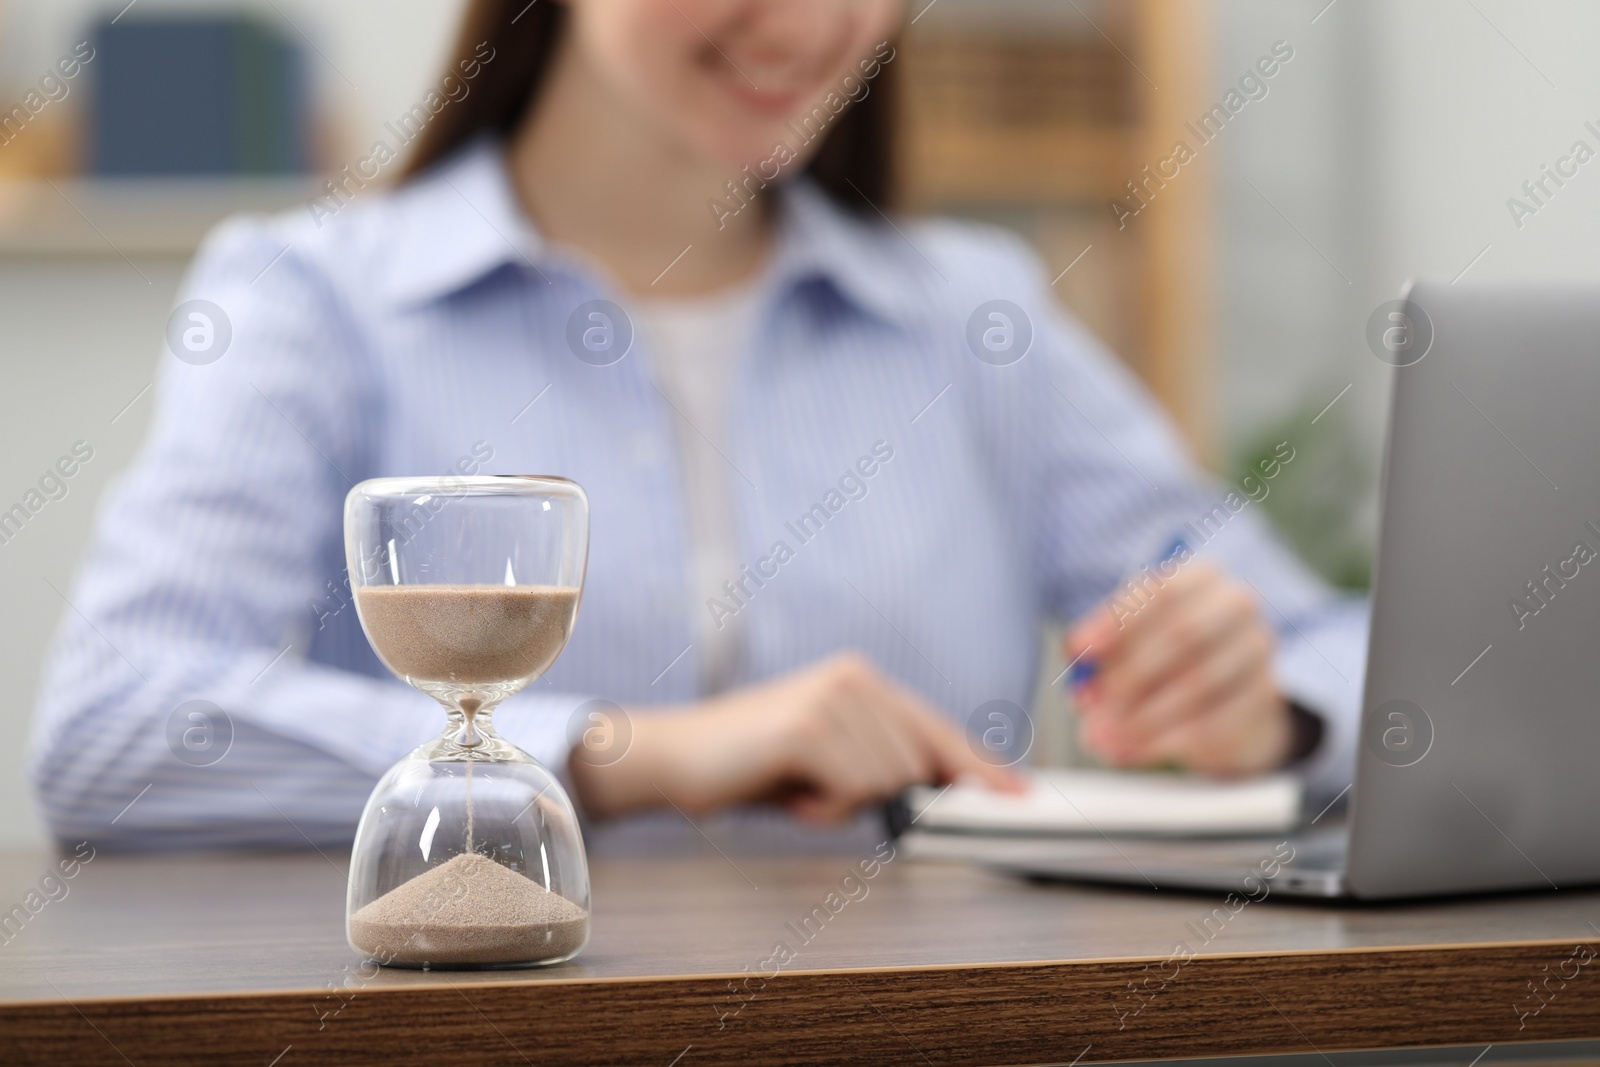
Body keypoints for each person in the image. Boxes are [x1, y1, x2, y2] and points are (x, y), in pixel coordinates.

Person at [28, 0, 1365, 850]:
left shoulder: (975, 318)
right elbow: (113, 725)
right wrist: (621, 753)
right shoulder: (315, 301)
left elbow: (1357, 657)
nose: (812, 21)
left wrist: (1271, 715)